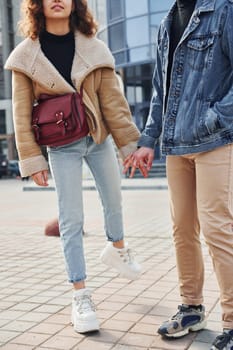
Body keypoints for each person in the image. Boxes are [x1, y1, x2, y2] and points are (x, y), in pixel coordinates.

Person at [5, 0, 142, 334]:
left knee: (114, 198)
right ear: (35, 5)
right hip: (60, 144)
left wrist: (128, 145)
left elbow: (113, 101)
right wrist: (32, 159)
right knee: (71, 219)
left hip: (98, 138)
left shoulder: (94, 49)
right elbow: (22, 114)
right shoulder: (25, 55)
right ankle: (80, 295)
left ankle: (118, 247)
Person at [124, 0, 233, 349]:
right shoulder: (168, 21)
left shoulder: (224, 9)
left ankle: (232, 320)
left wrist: (214, 118)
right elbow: (161, 90)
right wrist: (148, 139)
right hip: (176, 145)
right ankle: (191, 308)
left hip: (216, 140)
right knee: (183, 229)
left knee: (217, 227)